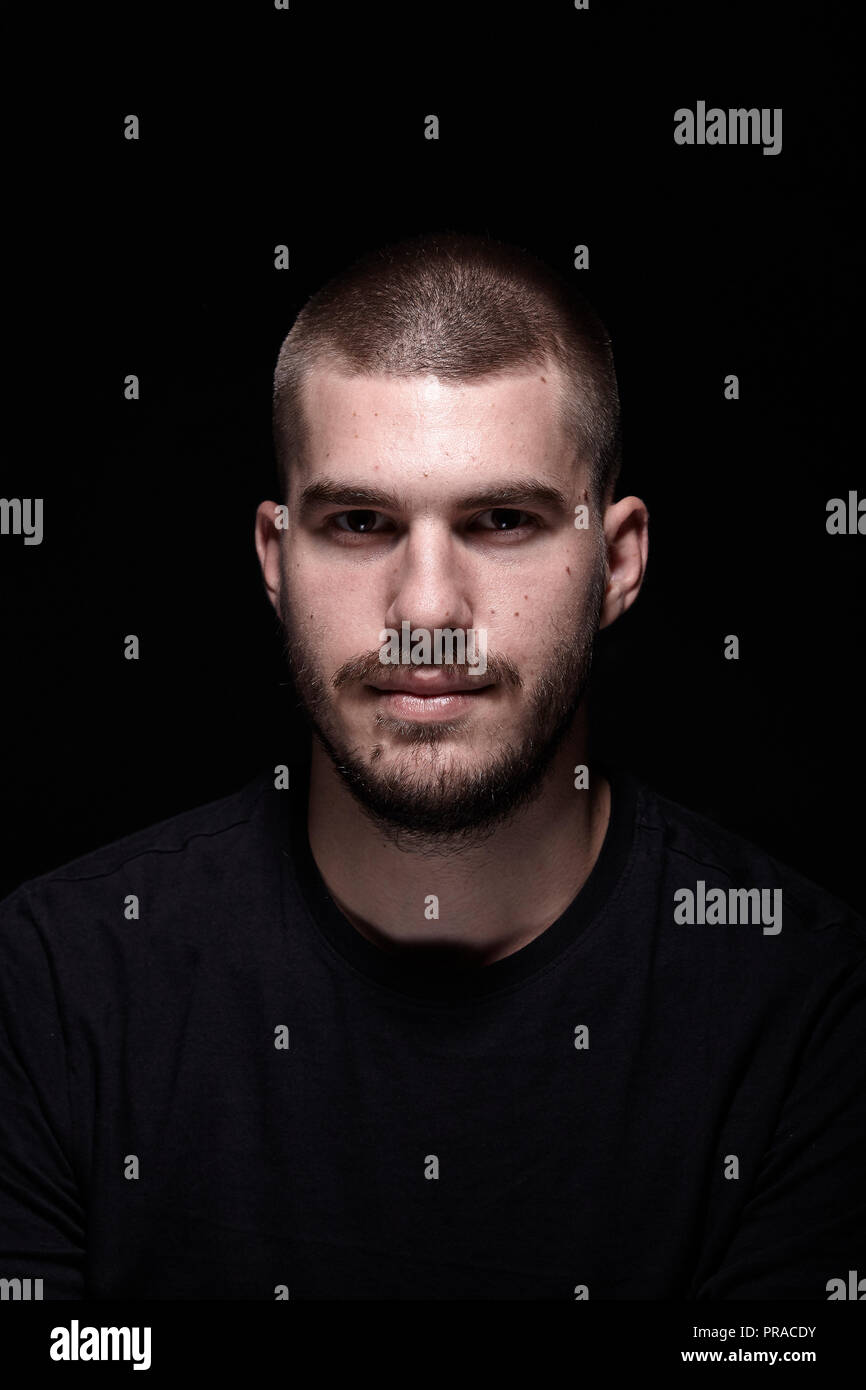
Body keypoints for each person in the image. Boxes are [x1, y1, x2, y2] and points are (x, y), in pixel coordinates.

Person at [1, 233, 863, 1301]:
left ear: (616, 561)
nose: (423, 614)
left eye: (501, 522)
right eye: (358, 523)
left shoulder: (805, 1006)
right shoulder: (56, 982)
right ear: (276, 560)